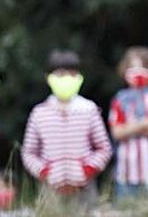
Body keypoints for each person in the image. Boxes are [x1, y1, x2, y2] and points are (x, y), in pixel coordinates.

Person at [21, 50, 112, 212]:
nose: (67, 78)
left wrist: (88, 169)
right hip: (51, 189)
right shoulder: (39, 113)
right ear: (48, 77)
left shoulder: (89, 109)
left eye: (72, 74)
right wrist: (44, 171)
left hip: (84, 190)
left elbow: (104, 148)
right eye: (61, 74)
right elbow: (28, 152)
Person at [108, 46, 148, 200]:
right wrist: (143, 125)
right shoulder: (120, 99)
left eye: (143, 67)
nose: (138, 72)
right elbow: (116, 133)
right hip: (127, 170)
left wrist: (131, 128)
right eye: (133, 67)